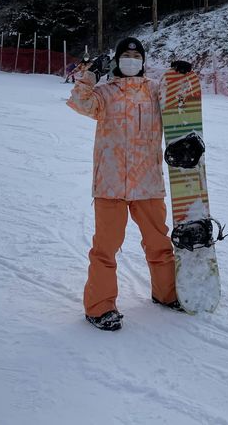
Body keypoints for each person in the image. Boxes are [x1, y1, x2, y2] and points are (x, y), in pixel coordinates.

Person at [67, 36, 180, 331]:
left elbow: (182, 103)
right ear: (117, 60)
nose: (132, 59)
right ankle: (99, 307)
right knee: (105, 248)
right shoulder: (104, 94)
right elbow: (79, 103)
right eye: (126, 54)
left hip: (148, 183)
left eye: (137, 55)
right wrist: (91, 74)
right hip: (111, 183)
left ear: (143, 61)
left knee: (159, 243)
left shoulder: (155, 91)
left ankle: (167, 293)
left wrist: (182, 76)